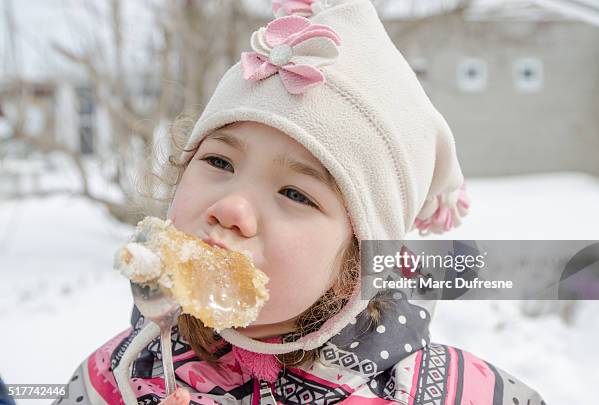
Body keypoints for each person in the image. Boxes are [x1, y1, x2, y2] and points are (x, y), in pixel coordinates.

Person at [56, 1, 545, 404]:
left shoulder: (443, 393)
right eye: (219, 163)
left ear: (357, 265)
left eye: (294, 193)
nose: (231, 209)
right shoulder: (115, 380)